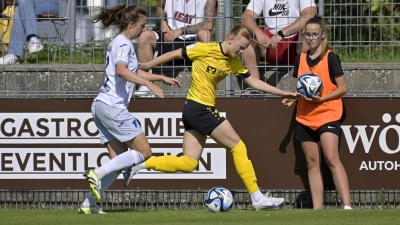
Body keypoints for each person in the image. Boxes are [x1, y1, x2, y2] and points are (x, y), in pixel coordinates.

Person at [123, 25, 302, 210]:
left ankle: (140, 164)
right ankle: (257, 198)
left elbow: (254, 82)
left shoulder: (232, 61)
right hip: (199, 108)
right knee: (238, 147)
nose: (241, 52)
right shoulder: (205, 48)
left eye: (243, 49)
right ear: (230, 39)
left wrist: (284, 93)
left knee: (188, 162)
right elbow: (175, 53)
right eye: (240, 47)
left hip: (194, 110)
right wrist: (147, 65)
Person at [78, 4, 180, 214]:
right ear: (131, 24)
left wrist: (159, 77)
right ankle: (95, 173)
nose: (143, 30)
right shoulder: (123, 44)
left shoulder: (119, 43)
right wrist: (150, 85)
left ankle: (88, 205)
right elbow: (122, 71)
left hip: (101, 106)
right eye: (142, 26)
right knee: (144, 151)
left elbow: (135, 72)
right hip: (113, 106)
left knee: (118, 163)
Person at [281, 15, 352, 210]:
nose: (311, 38)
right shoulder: (301, 58)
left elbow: (343, 88)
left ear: (322, 35)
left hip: (328, 113)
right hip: (305, 117)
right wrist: (293, 97)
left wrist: (322, 99)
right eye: (307, 34)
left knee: (331, 158)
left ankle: (347, 206)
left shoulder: (331, 57)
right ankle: (317, 210)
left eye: (314, 34)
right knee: (312, 163)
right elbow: (303, 88)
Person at [134, 0, 216, 95]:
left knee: (205, 34)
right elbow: (160, 7)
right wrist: (163, 22)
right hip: (170, 37)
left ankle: (205, 84)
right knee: (144, 36)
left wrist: (181, 30)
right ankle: (145, 85)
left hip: (192, 40)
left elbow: (209, 24)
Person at [240, 0, 316, 92]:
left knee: (308, 31)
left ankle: (306, 85)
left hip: (296, 44)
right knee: (246, 35)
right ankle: (254, 87)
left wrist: (281, 34)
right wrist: (257, 32)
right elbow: (245, 17)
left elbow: (310, 16)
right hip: (269, 44)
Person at [0, 0, 59, 64]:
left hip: (49, 4)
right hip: (28, 4)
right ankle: (33, 40)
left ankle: (14, 54)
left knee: (21, 4)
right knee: (20, 6)